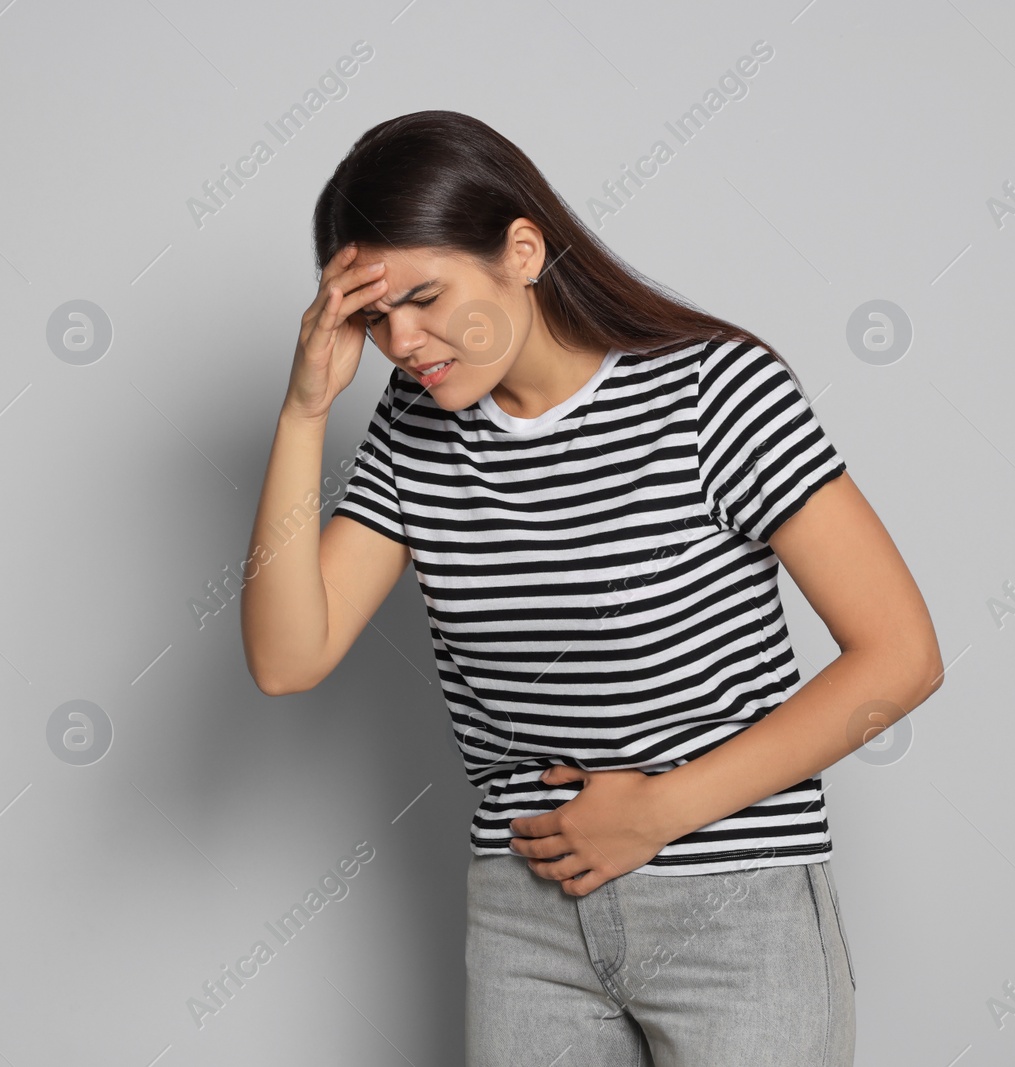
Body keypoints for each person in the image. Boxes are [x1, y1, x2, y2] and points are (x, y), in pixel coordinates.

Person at [239, 110, 944, 1067]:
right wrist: (303, 410)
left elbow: (901, 658)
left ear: (521, 250)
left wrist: (657, 811)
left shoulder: (714, 392)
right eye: (372, 314)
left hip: (733, 905)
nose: (400, 340)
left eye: (426, 297)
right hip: (526, 919)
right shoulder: (414, 429)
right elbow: (288, 658)